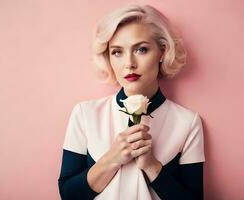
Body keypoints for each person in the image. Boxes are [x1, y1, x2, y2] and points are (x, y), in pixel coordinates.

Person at [58, 3, 205, 200]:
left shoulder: (188, 122)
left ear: (162, 52)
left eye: (141, 49)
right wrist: (112, 158)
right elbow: (69, 195)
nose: (129, 63)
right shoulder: (85, 114)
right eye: (117, 52)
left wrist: (152, 166)